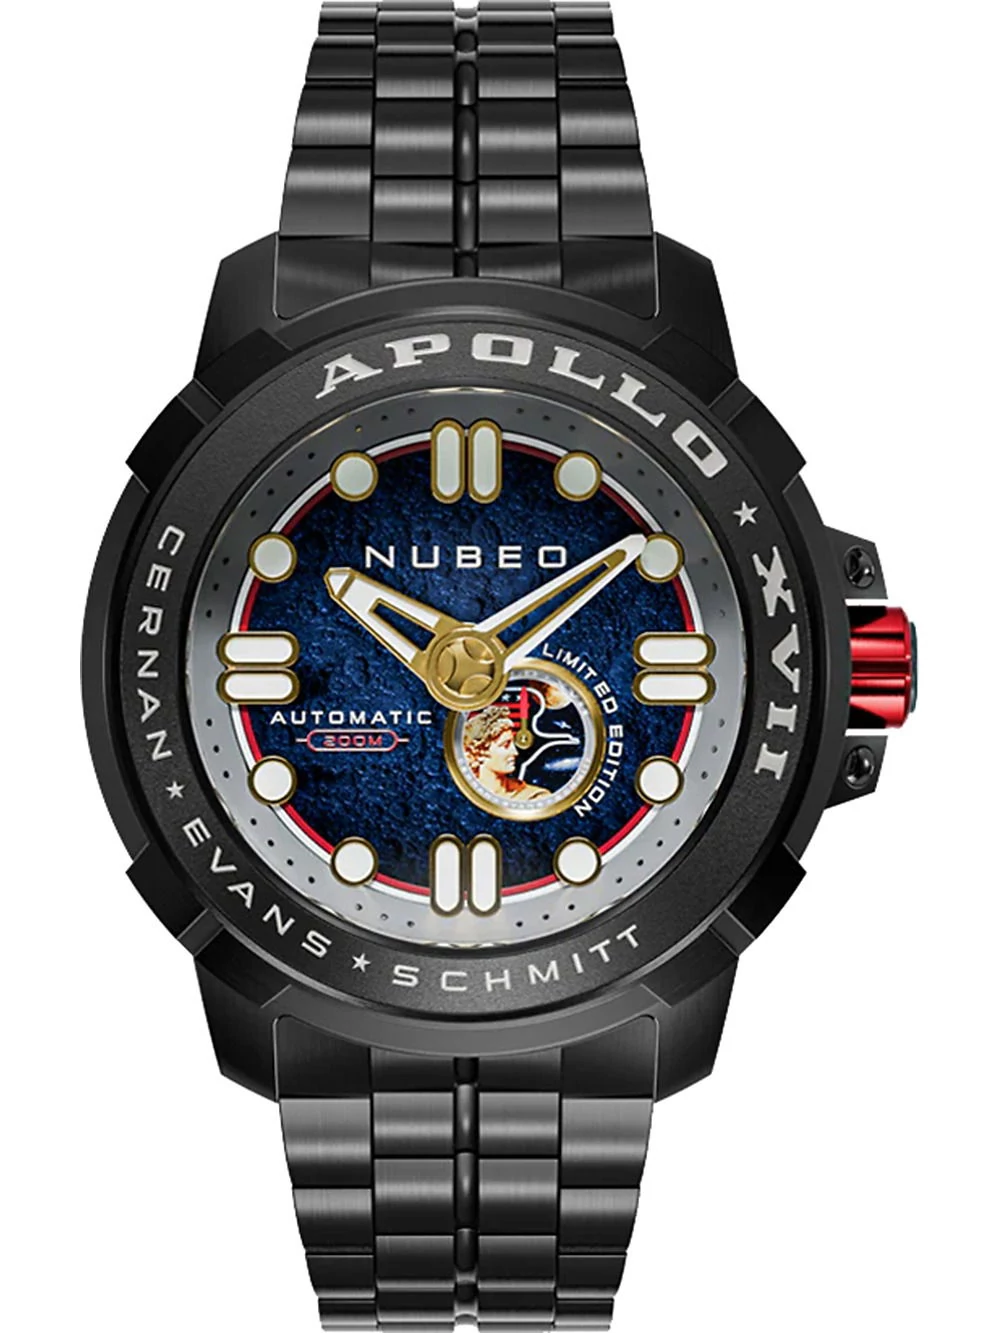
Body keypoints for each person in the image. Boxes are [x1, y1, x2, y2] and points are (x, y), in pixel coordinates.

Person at [463, 706, 550, 802]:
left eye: (512, 743)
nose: (515, 752)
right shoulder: (463, 797)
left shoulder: (535, 798)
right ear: (479, 752)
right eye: (505, 745)